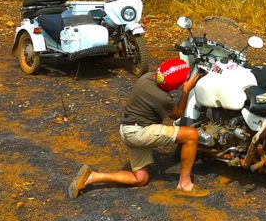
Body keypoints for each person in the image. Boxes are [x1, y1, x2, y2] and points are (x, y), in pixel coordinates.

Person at [68, 58, 209, 198]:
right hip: (139, 133)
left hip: (127, 129)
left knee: (140, 178)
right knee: (191, 135)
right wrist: (185, 91)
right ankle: (185, 184)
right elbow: (177, 114)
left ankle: (92, 177)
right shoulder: (162, 98)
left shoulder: (146, 77)